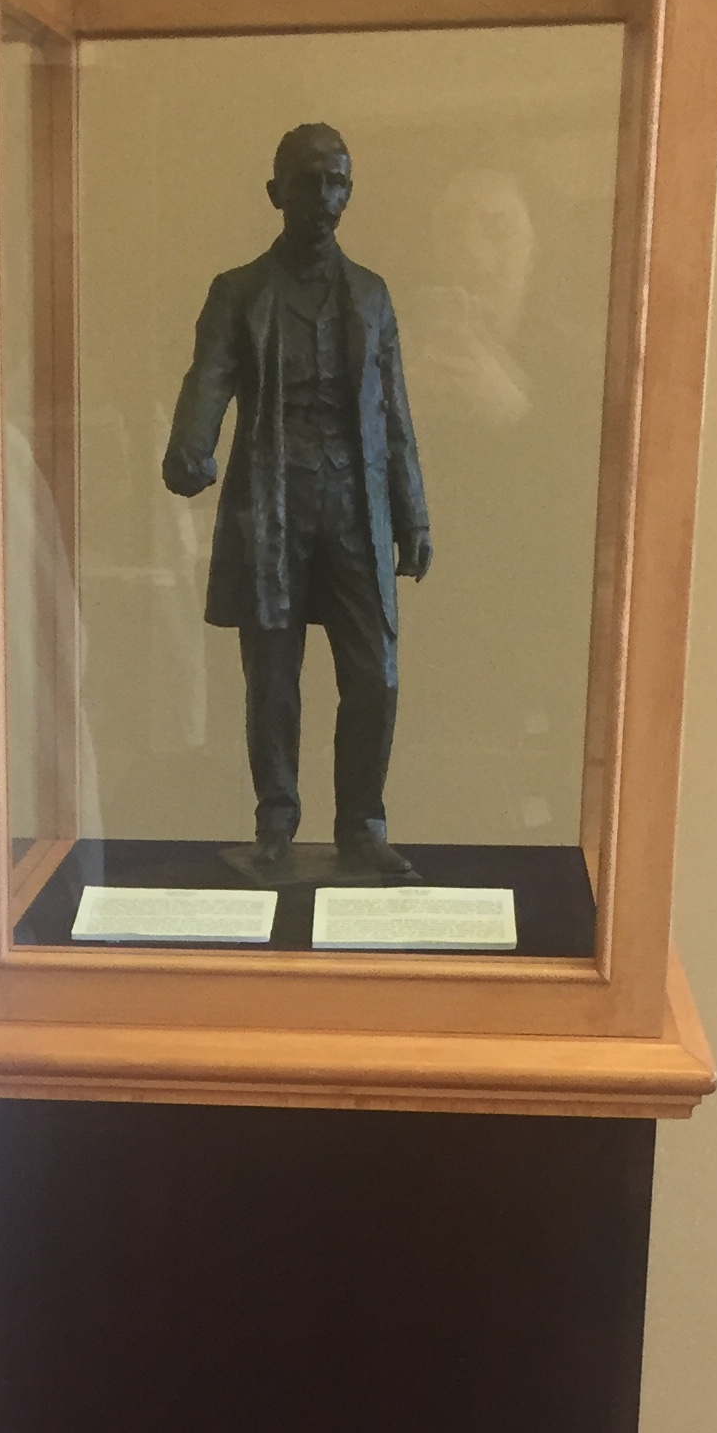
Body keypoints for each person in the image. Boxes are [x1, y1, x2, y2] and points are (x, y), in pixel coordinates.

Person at [160, 122, 431, 880]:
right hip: (272, 507)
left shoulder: (371, 297)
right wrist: (192, 445)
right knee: (272, 678)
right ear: (276, 192)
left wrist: (412, 515)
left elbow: (395, 417)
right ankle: (276, 823)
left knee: (374, 673)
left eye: (338, 181)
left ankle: (362, 826)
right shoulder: (240, 292)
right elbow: (208, 375)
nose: (325, 198)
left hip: (356, 508)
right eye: (310, 181)